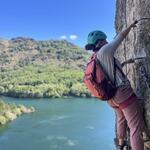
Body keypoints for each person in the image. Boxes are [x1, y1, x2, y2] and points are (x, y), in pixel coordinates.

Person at [85, 21, 146, 150]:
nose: (107, 42)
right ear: (100, 42)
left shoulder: (94, 58)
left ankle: (121, 143)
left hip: (111, 98)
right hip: (122, 94)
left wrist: (125, 62)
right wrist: (130, 25)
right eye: (105, 40)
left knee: (121, 119)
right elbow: (120, 38)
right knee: (135, 127)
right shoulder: (104, 51)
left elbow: (110, 72)